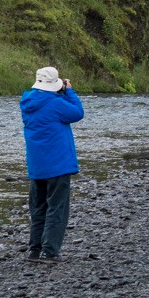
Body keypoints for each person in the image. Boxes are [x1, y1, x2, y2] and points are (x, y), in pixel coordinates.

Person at [20, 65, 85, 260]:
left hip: (37, 165)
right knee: (57, 208)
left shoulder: (27, 102)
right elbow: (77, 113)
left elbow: (53, 111)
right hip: (58, 165)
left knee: (38, 208)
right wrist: (69, 91)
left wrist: (59, 93)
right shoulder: (56, 103)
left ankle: (35, 249)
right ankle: (49, 251)